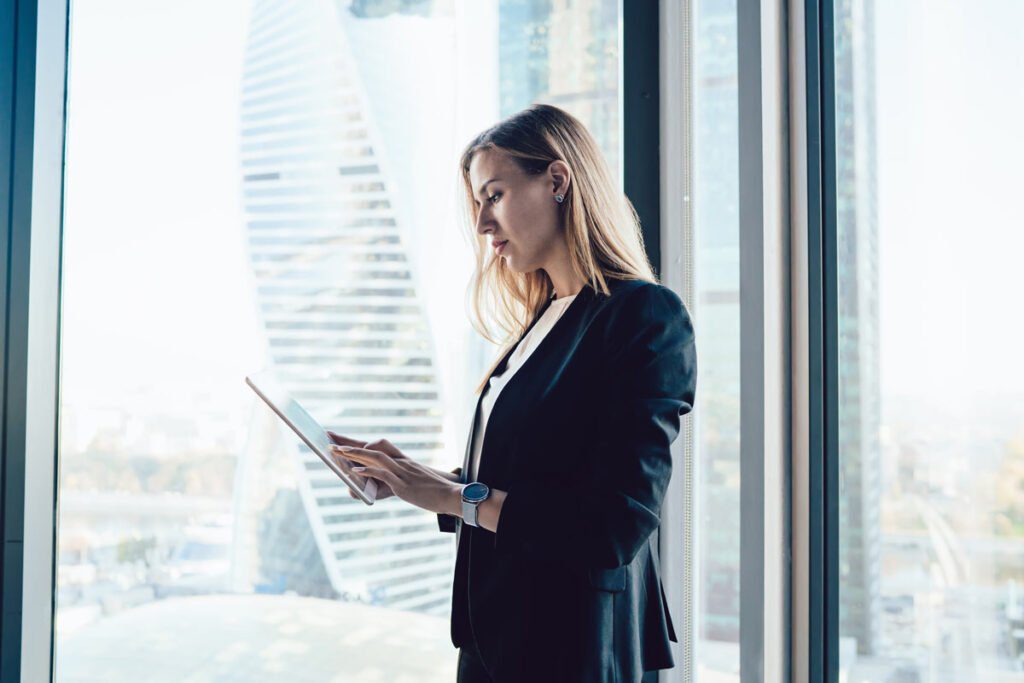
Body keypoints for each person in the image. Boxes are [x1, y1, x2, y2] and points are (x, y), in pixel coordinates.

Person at [327, 103, 697, 683]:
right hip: (497, 639)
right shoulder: (542, 318)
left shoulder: (644, 316)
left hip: (571, 648)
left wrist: (457, 499)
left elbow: (613, 526)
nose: (481, 223)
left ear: (556, 180)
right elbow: (534, 479)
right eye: (478, 202)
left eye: (493, 196)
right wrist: (415, 478)